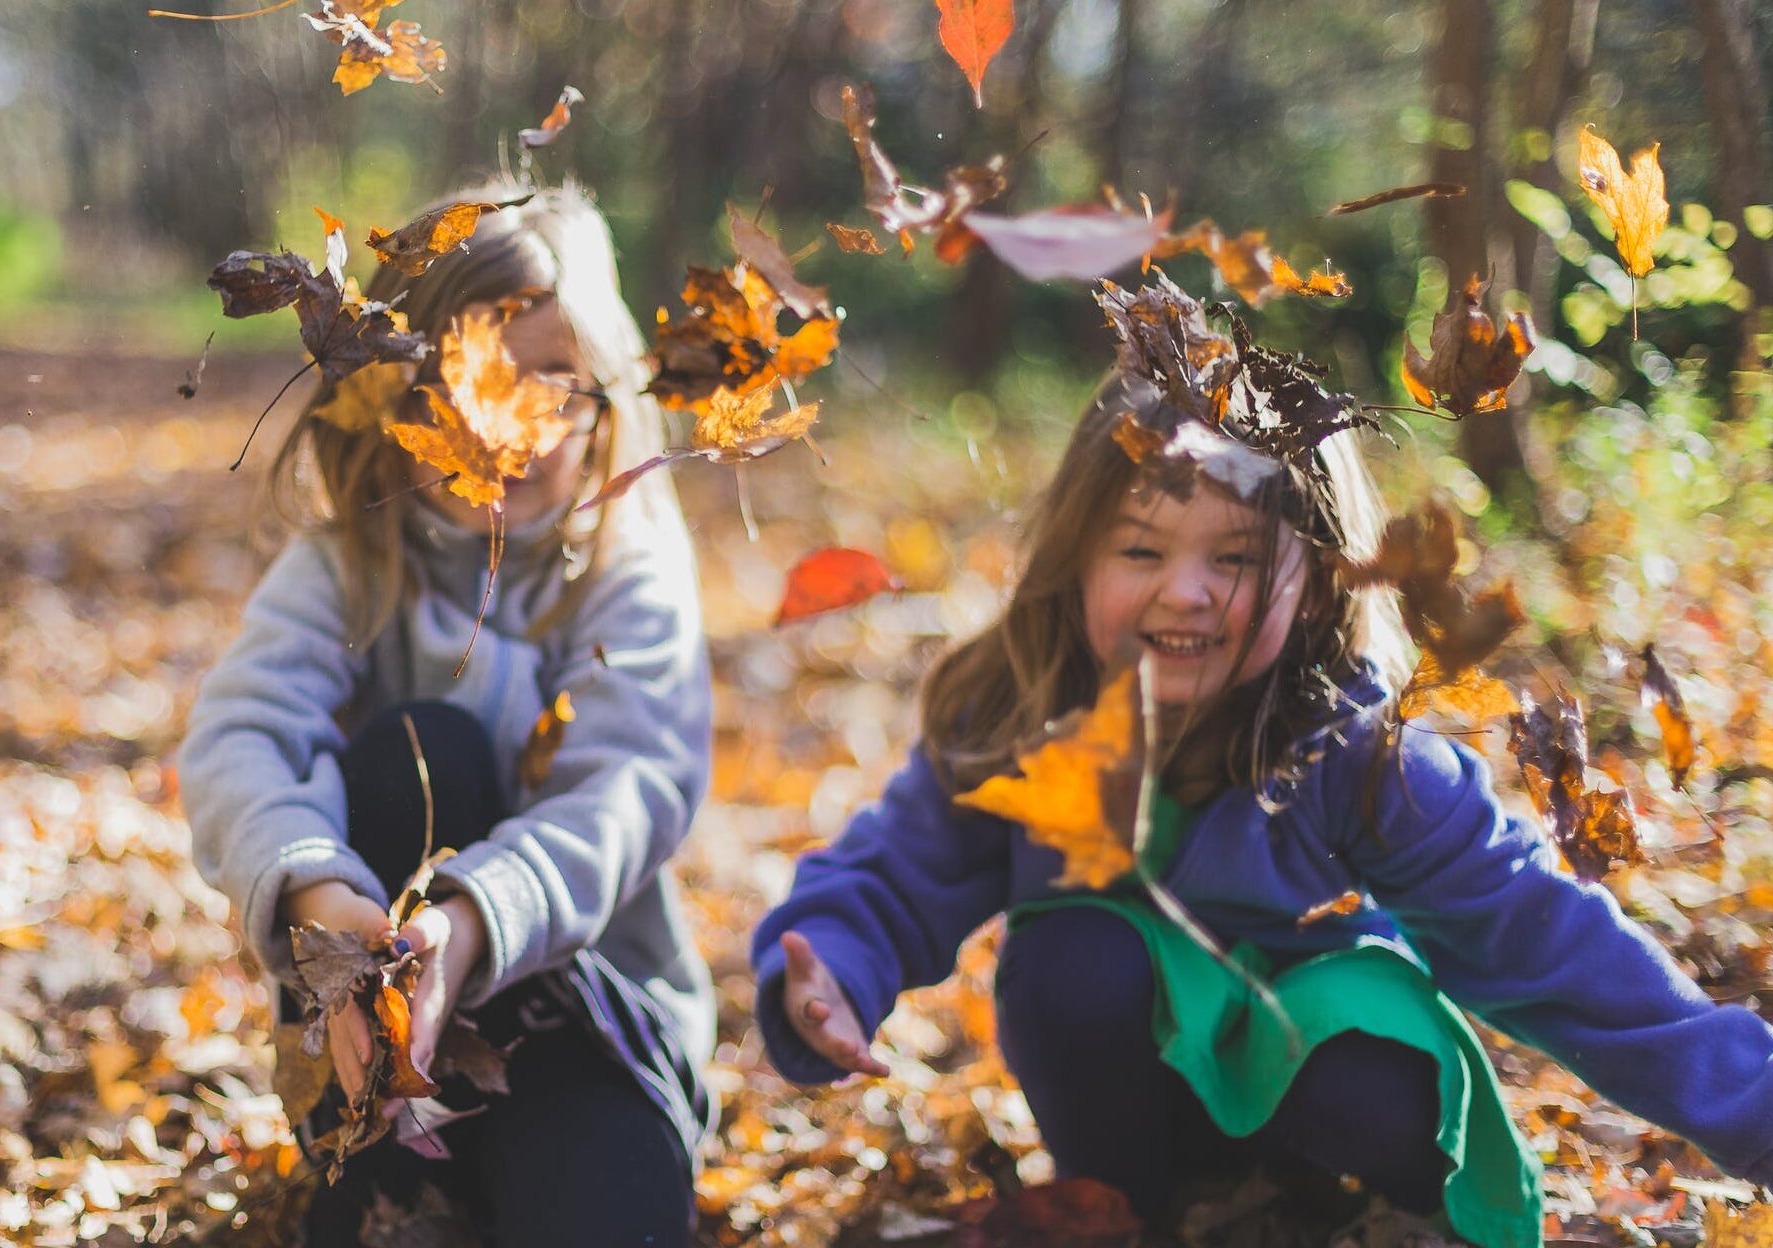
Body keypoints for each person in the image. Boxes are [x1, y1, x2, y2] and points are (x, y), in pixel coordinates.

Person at [750, 373, 1773, 1248]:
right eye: (1140, 551)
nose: (1183, 592)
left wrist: (1753, 1111)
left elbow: (1547, 945)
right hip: (1130, 1095)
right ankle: (1134, 1209)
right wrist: (835, 967)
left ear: (1320, 581)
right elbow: (892, 871)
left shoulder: (1362, 757)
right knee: (1070, 960)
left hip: (1330, 1087)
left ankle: (1350, 1212)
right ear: (1076, 561)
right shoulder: (1022, 716)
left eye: (1233, 559)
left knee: (1353, 1046)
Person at [180, 179, 712, 1246]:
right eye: (460, 383)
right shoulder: (344, 568)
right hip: (370, 1055)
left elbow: (627, 791)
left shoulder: (624, 575)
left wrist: (468, 925)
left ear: (602, 395)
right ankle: (382, 1166)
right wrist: (318, 895)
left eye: (547, 389)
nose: (501, 428)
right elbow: (242, 735)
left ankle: (557, 1159)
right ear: (384, 396)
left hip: (586, 1028)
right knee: (421, 749)